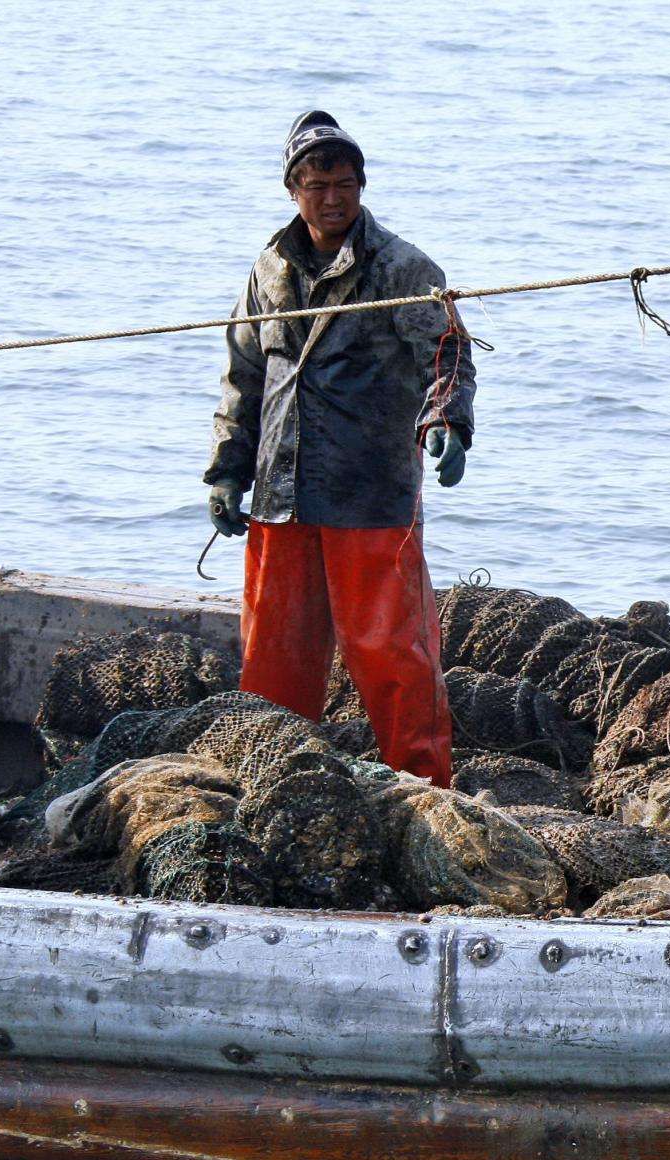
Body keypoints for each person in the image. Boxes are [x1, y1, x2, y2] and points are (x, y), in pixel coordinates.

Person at [204, 110, 474, 788]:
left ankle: (424, 794)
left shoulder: (404, 268)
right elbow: (242, 376)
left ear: (362, 185)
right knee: (273, 662)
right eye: (318, 183)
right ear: (293, 188)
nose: (333, 197)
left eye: (345, 183)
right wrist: (225, 473)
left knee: (393, 657)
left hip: (369, 494)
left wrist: (448, 422)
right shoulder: (268, 271)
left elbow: (449, 355)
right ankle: (271, 786)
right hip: (278, 496)